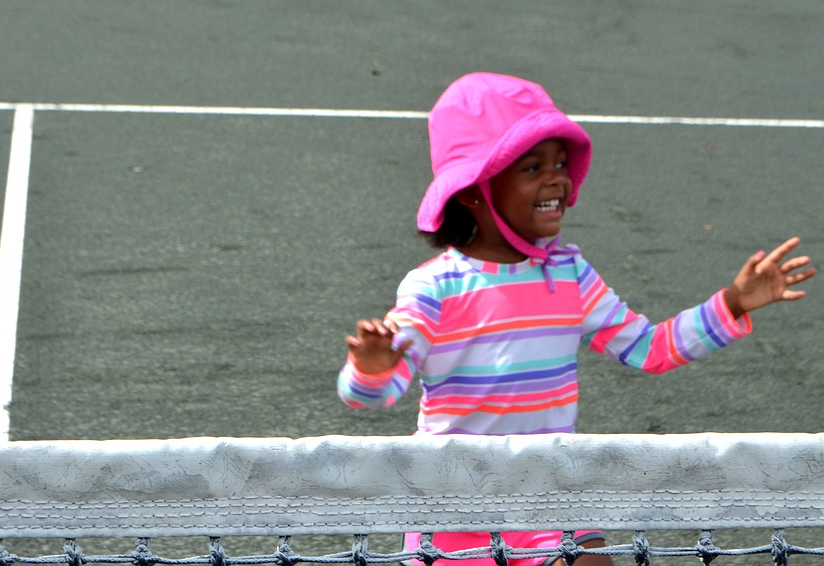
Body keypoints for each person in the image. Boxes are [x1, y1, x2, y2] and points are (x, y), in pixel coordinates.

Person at [336, 72, 816, 566]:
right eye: (532, 167)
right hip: (454, 507)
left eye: (560, 163)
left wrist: (732, 304)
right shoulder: (432, 287)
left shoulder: (572, 275)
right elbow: (374, 392)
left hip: (552, 494)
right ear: (473, 191)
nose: (557, 179)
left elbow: (650, 349)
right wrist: (371, 367)